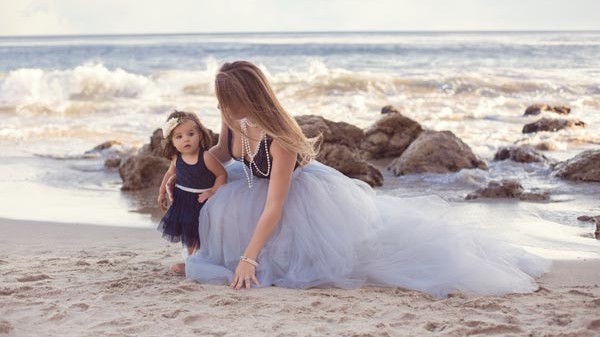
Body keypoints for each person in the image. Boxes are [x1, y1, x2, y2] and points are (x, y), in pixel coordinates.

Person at [180, 61, 549, 297]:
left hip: (295, 198)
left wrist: (249, 258)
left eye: (224, 100)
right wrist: (176, 171)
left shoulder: (282, 142)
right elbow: (217, 156)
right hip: (251, 186)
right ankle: (214, 258)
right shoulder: (233, 122)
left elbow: (274, 206)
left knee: (334, 253)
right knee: (214, 197)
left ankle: (238, 261)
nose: (219, 108)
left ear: (247, 99)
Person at [157, 110, 227, 274]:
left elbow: (222, 174)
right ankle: (191, 262)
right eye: (179, 136)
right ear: (172, 142)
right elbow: (169, 174)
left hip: (201, 201)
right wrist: (161, 193)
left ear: (200, 135)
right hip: (183, 200)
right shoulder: (177, 158)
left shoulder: (206, 157)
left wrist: (212, 192)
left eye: (190, 134)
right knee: (188, 234)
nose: (186, 139)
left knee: (200, 234)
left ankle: (199, 260)